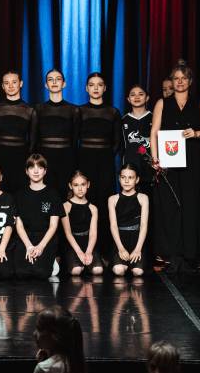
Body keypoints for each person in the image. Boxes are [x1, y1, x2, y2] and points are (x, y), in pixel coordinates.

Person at [149, 59, 200, 273]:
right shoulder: (162, 103)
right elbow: (154, 132)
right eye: (176, 78)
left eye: (183, 78)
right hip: (169, 160)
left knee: (191, 207)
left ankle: (191, 255)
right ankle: (172, 255)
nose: (179, 82)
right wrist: (155, 159)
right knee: (171, 208)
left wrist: (196, 133)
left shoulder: (199, 103)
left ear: (190, 81)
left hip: (192, 160)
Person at [77, 72, 121, 259]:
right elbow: (74, 139)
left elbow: (117, 143)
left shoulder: (113, 112)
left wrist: (106, 158)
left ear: (105, 88)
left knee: (104, 206)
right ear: (86, 88)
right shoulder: (80, 111)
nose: (95, 88)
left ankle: (105, 252)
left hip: (105, 164)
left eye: (99, 84)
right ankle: (85, 252)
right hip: (85, 162)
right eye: (92, 85)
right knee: (85, 205)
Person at [14, 154, 63, 280]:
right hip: (26, 238)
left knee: (41, 273)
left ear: (45, 171)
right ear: (26, 171)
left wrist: (41, 247)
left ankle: (52, 260)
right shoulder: (19, 195)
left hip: (45, 238)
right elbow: (19, 225)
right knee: (21, 273)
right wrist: (29, 246)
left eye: (40, 168)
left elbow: (53, 226)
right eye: (32, 167)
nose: (36, 171)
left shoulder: (53, 194)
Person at [0, 70, 37, 194]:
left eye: (14, 82)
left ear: (21, 83)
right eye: (7, 83)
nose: (10, 86)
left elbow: (33, 141)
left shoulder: (30, 110)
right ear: (2, 86)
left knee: (20, 194)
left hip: (21, 159)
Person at [34, 69, 80, 200]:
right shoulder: (38, 109)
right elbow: (35, 138)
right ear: (46, 85)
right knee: (45, 196)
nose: (54, 82)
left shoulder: (73, 110)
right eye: (50, 79)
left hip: (66, 159)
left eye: (58, 79)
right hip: (45, 158)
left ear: (64, 84)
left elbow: (75, 139)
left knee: (65, 196)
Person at [108, 164, 149, 277]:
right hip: (120, 239)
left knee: (138, 272)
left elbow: (144, 225)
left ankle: (135, 261)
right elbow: (113, 225)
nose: (126, 181)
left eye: (130, 177)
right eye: (123, 177)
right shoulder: (112, 199)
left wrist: (138, 249)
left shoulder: (143, 198)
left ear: (137, 179)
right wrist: (120, 248)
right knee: (119, 270)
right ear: (119, 178)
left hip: (137, 239)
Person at [32, 304, 87, 373]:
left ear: (55, 336)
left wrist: (43, 364)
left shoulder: (43, 369)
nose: (34, 333)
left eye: (39, 329)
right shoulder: (76, 364)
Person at [61, 171, 103, 276]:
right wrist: (79, 252)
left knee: (98, 270)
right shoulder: (65, 206)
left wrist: (88, 252)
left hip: (88, 243)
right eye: (76, 185)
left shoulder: (93, 208)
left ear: (88, 185)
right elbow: (68, 233)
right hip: (72, 244)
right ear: (70, 186)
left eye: (83, 184)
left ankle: (88, 264)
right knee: (76, 271)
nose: (80, 188)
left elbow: (93, 234)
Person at [122, 84, 154, 196]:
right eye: (133, 95)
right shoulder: (124, 120)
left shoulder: (154, 118)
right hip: (130, 168)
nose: (136, 97)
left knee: (150, 198)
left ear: (147, 98)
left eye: (141, 94)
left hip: (150, 168)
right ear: (128, 99)